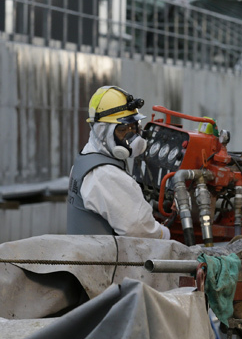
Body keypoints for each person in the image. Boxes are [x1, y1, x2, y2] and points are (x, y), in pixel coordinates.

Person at [67, 85, 170, 239]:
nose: (133, 137)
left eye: (134, 128)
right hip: (105, 261)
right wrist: (166, 233)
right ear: (102, 131)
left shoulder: (85, 159)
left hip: (89, 257)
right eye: (123, 130)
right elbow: (141, 230)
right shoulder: (105, 174)